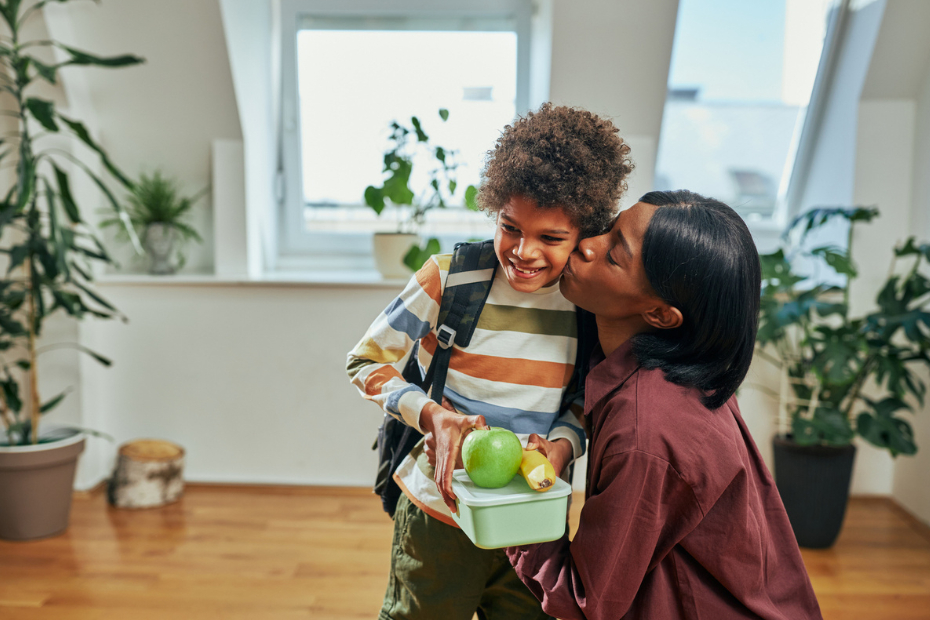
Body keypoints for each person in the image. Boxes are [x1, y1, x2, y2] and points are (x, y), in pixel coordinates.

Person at [346, 103, 634, 620]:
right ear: (495, 208)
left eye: (551, 238)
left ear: (584, 233)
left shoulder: (585, 306)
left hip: (533, 522)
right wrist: (431, 415)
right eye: (510, 227)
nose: (524, 252)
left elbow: (583, 403)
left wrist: (564, 449)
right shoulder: (449, 278)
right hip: (439, 516)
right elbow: (365, 362)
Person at [505, 190, 823, 619]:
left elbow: (586, 601)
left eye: (614, 255)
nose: (587, 244)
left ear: (660, 314)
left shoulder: (646, 431)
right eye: (609, 230)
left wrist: (508, 501)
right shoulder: (670, 372)